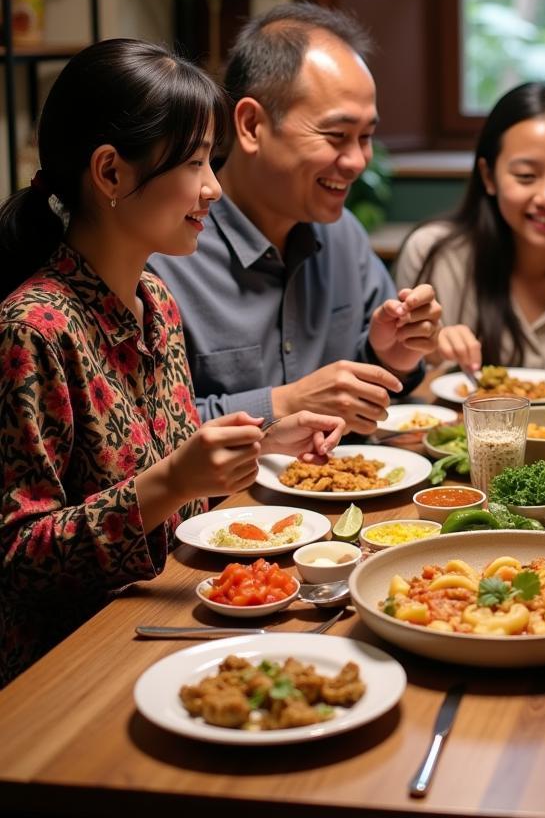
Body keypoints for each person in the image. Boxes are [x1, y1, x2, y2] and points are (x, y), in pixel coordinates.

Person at [0, 39, 345, 687]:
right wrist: (172, 483)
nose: (214, 188)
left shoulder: (155, 300)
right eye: (193, 164)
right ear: (110, 174)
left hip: (165, 627)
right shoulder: (35, 328)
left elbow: (173, 486)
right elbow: (17, 559)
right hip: (66, 670)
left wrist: (265, 444)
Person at [150, 3, 442, 434]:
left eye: (367, 137)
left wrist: (390, 355)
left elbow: (374, 394)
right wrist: (283, 403)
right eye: (338, 136)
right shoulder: (166, 249)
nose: (359, 160)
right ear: (251, 125)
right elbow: (143, 436)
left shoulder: (343, 236)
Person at [393, 82, 545, 374]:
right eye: (526, 176)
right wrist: (430, 352)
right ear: (489, 176)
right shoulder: (431, 253)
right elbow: (397, 386)